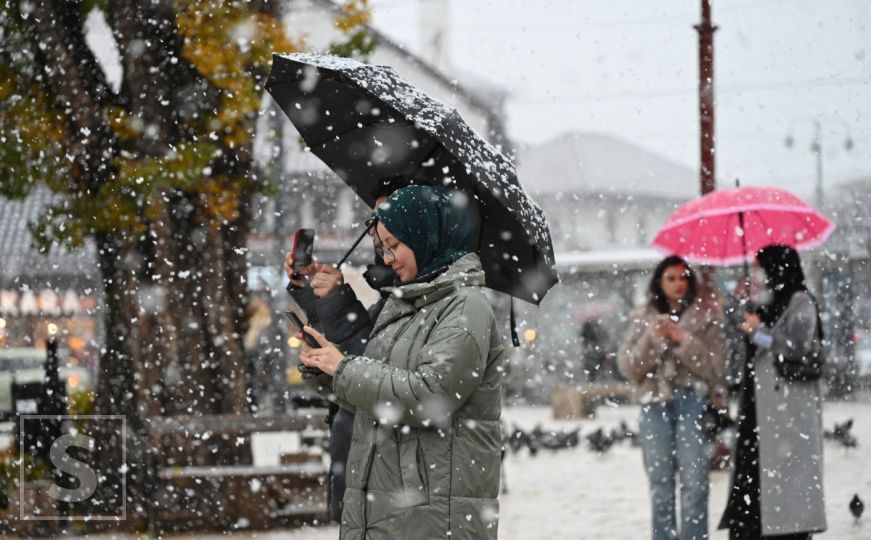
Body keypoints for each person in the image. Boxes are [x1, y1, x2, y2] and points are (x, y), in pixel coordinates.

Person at [296, 185, 503, 539]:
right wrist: (326, 370)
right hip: (386, 512)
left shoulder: (465, 307)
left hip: (430, 518)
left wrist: (343, 369)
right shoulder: (405, 302)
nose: (388, 258)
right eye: (382, 248)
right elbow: (378, 392)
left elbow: (429, 397)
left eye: (394, 246)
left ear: (426, 237)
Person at [284, 189, 395, 523]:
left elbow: (370, 367)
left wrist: (334, 299)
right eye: (373, 219)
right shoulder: (392, 294)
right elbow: (357, 362)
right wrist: (313, 294)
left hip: (379, 475)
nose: (374, 229)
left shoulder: (416, 296)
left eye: (384, 217)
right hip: (359, 462)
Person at [719, 245, 827, 539]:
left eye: (761, 267)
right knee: (755, 471)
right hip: (760, 403)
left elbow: (796, 346)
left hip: (786, 406)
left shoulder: (799, 300)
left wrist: (759, 332)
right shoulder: (767, 302)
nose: (757, 275)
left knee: (786, 475)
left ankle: (785, 530)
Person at [617, 255, 726, 540]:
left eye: (684, 277)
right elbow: (628, 368)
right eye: (671, 278)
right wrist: (652, 339)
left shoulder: (706, 315)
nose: (679, 284)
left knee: (695, 483)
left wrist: (683, 339)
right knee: (660, 485)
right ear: (659, 282)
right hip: (654, 404)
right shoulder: (642, 318)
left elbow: (716, 367)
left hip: (694, 401)